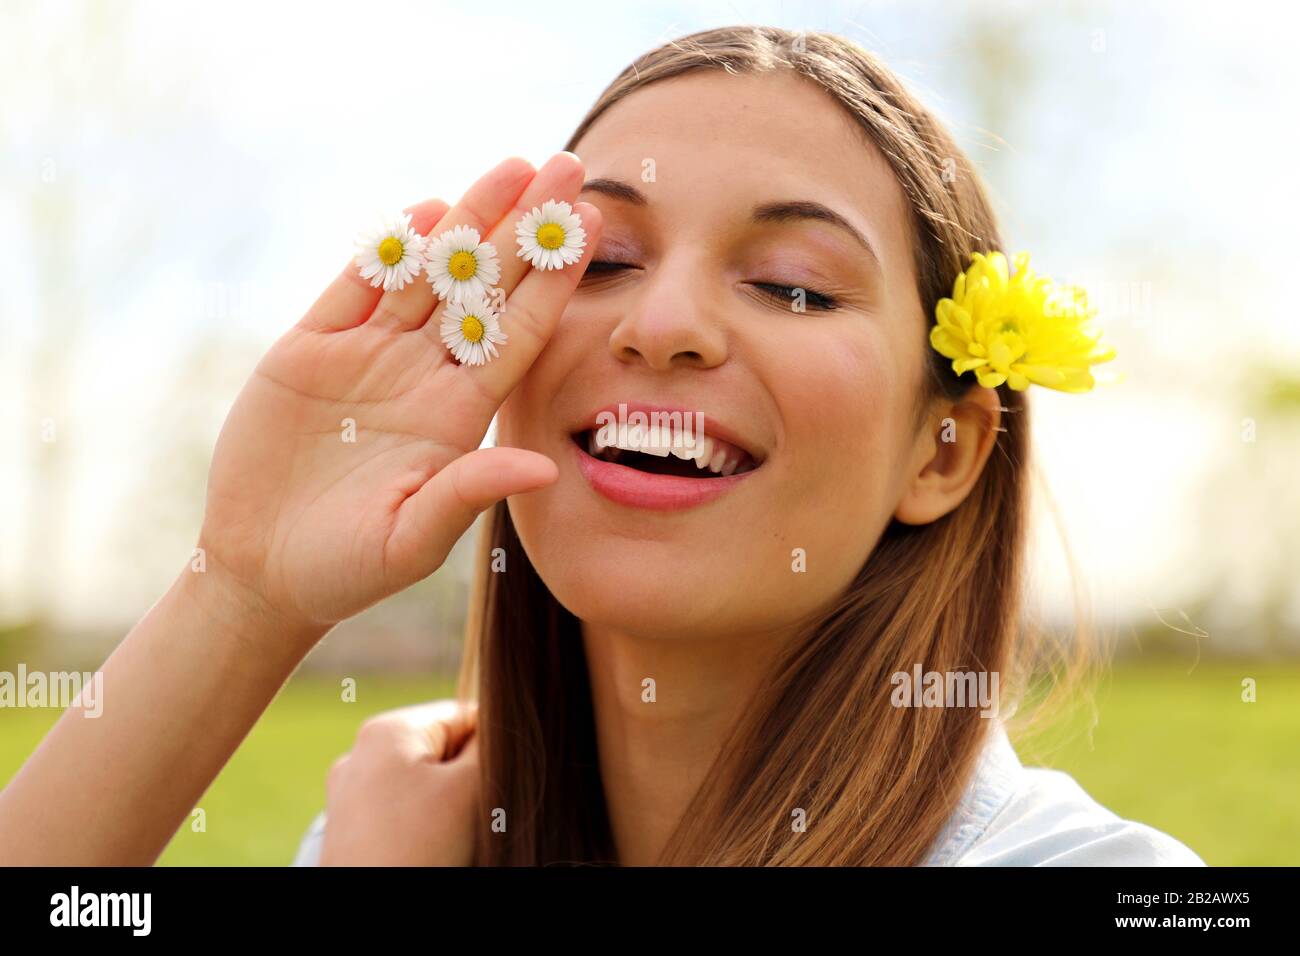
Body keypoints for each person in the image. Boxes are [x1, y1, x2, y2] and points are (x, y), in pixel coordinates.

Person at [0, 26, 1204, 867]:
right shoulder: (391, 832)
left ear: (942, 448)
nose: (662, 323)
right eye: (602, 259)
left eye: (789, 286)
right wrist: (244, 587)